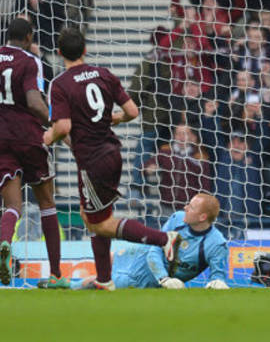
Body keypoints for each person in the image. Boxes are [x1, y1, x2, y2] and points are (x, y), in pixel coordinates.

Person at [45, 27, 182, 291]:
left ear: (59, 52)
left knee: (100, 223)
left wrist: (47, 138)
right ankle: (105, 279)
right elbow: (132, 111)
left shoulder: (60, 84)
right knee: (92, 215)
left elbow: (62, 127)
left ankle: (164, 238)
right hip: (111, 151)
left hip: (91, 159)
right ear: (85, 49)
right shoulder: (103, 74)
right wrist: (116, 118)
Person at [0, 18, 67, 289]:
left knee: (12, 206)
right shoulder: (30, 61)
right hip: (27, 136)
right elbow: (34, 102)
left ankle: (5, 244)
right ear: (29, 37)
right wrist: (56, 123)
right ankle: (56, 274)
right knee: (47, 202)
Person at [77, 194, 230, 290]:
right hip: (140, 256)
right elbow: (156, 248)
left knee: (94, 285)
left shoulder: (217, 244)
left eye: (191, 207)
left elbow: (218, 278)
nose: (185, 207)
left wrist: (217, 282)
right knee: (108, 260)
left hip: (143, 280)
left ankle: (69, 284)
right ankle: (65, 282)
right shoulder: (177, 219)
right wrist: (164, 278)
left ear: (202, 217)